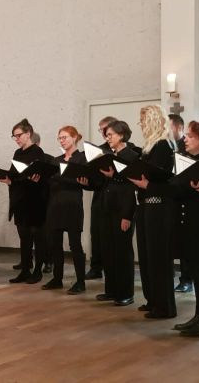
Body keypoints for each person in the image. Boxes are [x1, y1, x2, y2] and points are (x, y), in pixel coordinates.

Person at [141, 120, 199, 337]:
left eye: (190, 136)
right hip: (192, 224)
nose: (185, 139)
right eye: (186, 135)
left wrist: (149, 186)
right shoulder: (192, 160)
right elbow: (179, 189)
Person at [128, 105, 177, 319]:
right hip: (146, 204)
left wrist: (145, 181)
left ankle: (164, 306)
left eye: (143, 121)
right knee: (147, 256)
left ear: (154, 121)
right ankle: (152, 300)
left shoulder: (164, 145)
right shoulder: (149, 146)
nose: (141, 126)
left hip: (159, 205)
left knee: (158, 257)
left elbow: (164, 177)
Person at [94, 121, 139, 306]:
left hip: (123, 210)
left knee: (122, 252)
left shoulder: (132, 156)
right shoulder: (110, 155)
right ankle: (111, 290)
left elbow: (131, 187)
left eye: (110, 134)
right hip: (107, 208)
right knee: (108, 251)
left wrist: (127, 215)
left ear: (121, 135)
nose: (107, 138)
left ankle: (125, 292)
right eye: (106, 135)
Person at [1, 119, 49, 285]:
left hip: (35, 202)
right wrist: (8, 179)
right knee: (24, 238)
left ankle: (38, 270)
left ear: (28, 134)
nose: (16, 139)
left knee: (38, 238)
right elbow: (15, 175)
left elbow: (42, 177)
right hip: (20, 202)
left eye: (18, 135)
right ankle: (25, 270)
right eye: (14, 136)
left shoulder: (38, 152)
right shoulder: (17, 153)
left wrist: (31, 179)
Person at [43, 126, 87, 294]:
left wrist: (61, 178)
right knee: (55, 244)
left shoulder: (82, 159)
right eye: (60, 138)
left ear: (75, 137)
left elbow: (82, 181)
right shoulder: (56, 160)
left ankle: (80, 281)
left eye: (65, 137)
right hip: (55, 206)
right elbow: (51, 182)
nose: (62, 140)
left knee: (75, 245)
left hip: (72, 206)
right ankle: (57, 278)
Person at [85, 116, 117, 280]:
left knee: (114, 237)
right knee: (96, 232)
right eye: (101, 130)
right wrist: (85, 181)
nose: (104, 133)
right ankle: (96, 267)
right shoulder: (97, 150)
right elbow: (93, 178)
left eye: (106, 129)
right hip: (99, 195)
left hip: (117, 198)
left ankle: (116, 269)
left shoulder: (126, 148)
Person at [168, 115, 194, 293]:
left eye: (168, 127)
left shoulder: (187, 147)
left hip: (186, 198)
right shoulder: (165, 146)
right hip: (171, 199)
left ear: (178, 128)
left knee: (186, 244)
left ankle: (186, 279)